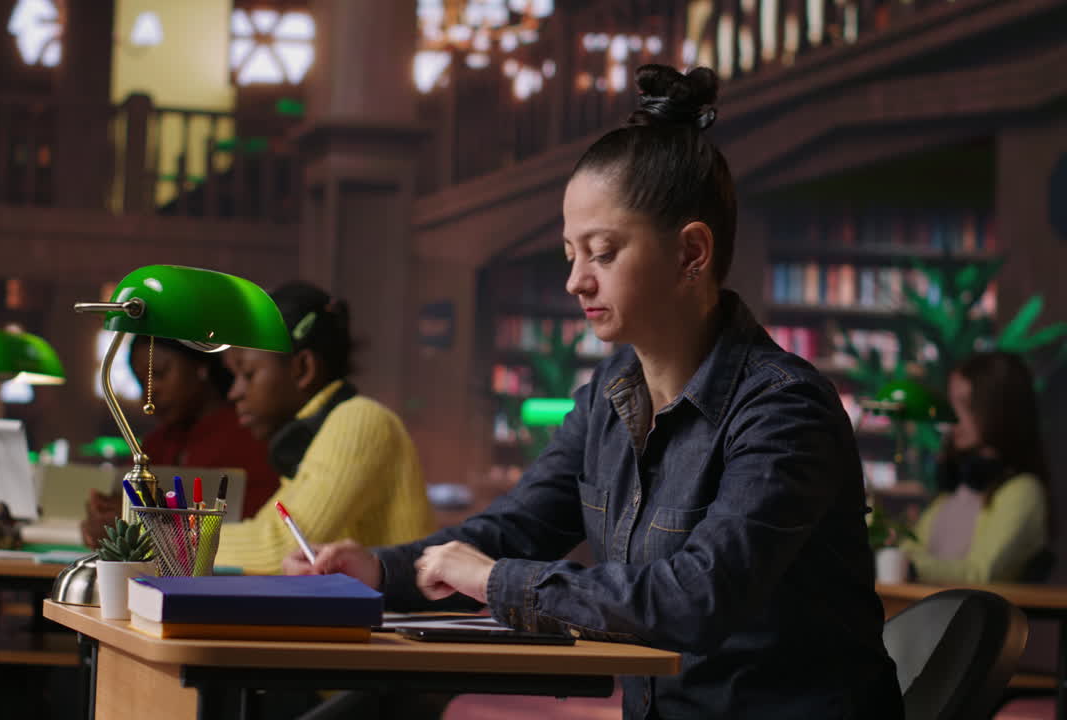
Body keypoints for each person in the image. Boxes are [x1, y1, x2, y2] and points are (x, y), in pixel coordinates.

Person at [285, 65, 904, 719]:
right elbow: (519, 527)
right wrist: (380, 571)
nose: (575, 282)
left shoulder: (783, 411)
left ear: (692, 253)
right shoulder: (609, 394)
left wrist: (492, 580)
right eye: (568, 254)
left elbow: (694, 599)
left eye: (602, 252)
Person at [214, 281, 437, 574]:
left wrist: (162, 538)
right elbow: (267, 533)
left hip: (400, 619)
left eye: (248, 374)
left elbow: (283, 548)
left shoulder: (360, 419)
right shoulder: (315, 438)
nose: (234, 392)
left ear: (303, 368)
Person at [81, 336, 278, 548]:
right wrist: (105, 519)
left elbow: (254, 528)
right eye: (141, 381)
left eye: (159, 374)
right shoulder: (152, 446)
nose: (149, 392)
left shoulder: (251, 437)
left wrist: (142, 524)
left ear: (200, 366)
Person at [901, 351, 1050, 583]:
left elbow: (981, 573)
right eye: (952, 403)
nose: (952, 416)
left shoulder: (1023, 492)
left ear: (1000, 408)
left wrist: (909, 566)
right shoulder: (959, 490)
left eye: (966, 404)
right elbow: (911, 545)